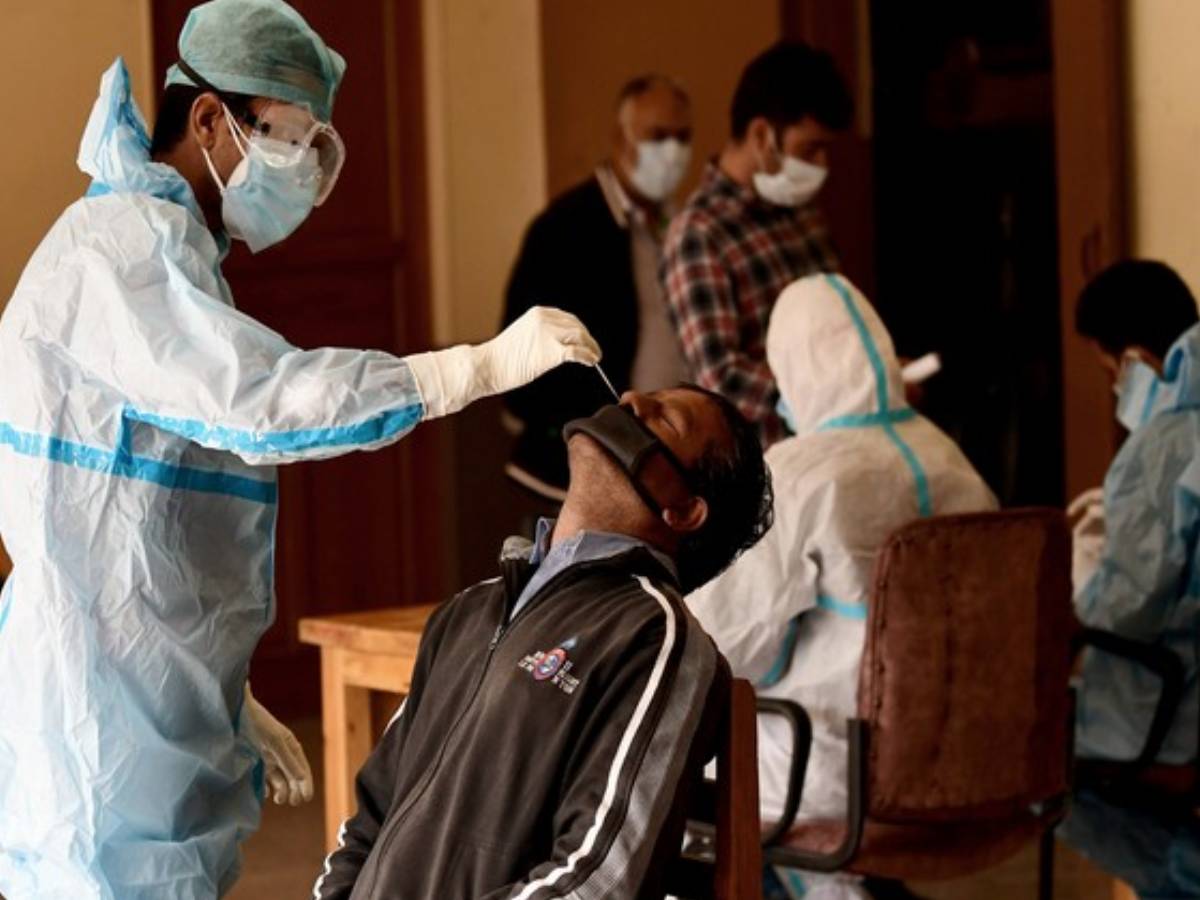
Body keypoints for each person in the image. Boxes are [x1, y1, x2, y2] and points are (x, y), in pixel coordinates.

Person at [0, 2, 600, 898]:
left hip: (134, 692)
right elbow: (263, 401)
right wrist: (469, 369)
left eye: (316, 143)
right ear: (210, 118)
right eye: (286, 135)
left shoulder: (170, 257)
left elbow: (143, 516)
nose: (302, 165)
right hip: (97, 735)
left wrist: (221, 686)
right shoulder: (119, 253)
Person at [311, 385, 774, 899]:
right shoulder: (468, 610)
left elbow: (598, 881)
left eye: (666, 419)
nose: (631, 400)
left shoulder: (653, 636)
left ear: (682, 510)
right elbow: (369, 819)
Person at [688, 274, 996, 900]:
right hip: (970, 761)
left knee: (678, 754)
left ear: (794, 371)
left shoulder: (799, 476)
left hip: (839, 774)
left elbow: (721, 646)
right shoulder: (952, 459)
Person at [1059, 259, 1200, 897]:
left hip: (1172, 708)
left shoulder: (1162, 447)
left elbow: (1128, 610)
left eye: (1110, 373)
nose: (1115, 389)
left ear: (1137, 360)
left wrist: (1068, 621)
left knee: (1044, 781)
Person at [503, 75, 693, 500]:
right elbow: (524, 357)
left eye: (683, 137)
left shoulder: (682, 225)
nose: (673, 151)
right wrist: (586, 431)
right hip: (578, 467)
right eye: (658, 136)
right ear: (622, 139)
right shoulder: (565, 228)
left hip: (664, 457)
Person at [662, 41, 852, 448]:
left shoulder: (801, 213)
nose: (822, 165)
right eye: (810, 148)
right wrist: (839, 389)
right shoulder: (699, 235)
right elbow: (722, 379)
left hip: (842, 445)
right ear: (762, 135)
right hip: (772, 469)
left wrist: (878, 371)